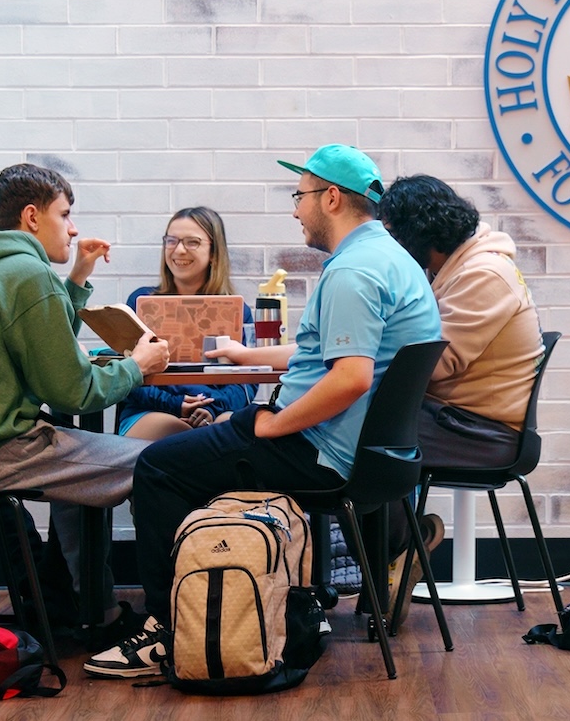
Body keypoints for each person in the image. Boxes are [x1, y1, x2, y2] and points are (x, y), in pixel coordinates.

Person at [85, 143, 441, 679]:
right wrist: (249, 354)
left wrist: (272, 423)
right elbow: (338, 351)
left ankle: (165, 631)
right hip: (376, 456)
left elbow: (350, 377)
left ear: (332, 198)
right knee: (204, 447)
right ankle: (225, 603)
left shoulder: (353, 273)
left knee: (158, 468)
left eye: (299, 196)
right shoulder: (391, 260)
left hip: (320, 454)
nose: (295, 209)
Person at [0, 162, 170, 628]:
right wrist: (137, 366)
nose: (72, 229)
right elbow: (73, 392)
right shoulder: (27, 274)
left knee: (80, 480)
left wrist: (76, 278)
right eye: (65, 215)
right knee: (164, 465)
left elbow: (40, 347)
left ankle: (92, 609)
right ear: (32, 217)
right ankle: (169, 615)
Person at [376, 175, 544, 476]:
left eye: (393, 235)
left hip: (483, 431)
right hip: (460, 415)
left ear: (415, 231)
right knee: (367, 423)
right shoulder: (454, 270)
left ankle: (400, 526)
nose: (390, 247)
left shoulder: (485, 275)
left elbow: (435, 364)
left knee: (368, 438)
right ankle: (414, 526)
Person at [112, 206, 256, 440]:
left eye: (192, 242)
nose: (179, 250)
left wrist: (211, 408)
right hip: (152, 410)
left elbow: (246, 384)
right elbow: (127, 379)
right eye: (171, 241)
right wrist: (176, 404)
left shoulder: (237, 312)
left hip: (216, 411)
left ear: (214, 252)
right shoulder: (141, 303)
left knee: (230, 430)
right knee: (180, 434)